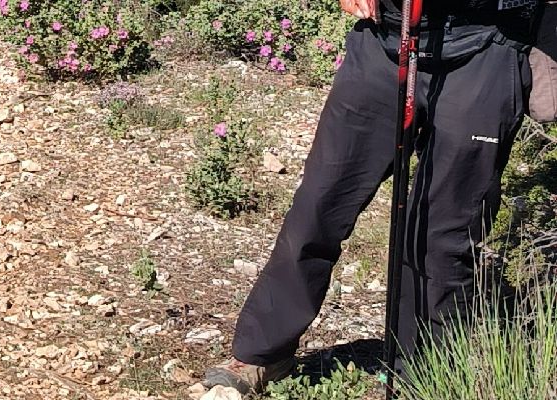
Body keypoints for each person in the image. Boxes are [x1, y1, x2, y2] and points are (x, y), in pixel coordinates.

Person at [202, 0, 544, 393]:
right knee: (320, 202)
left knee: (444, 232)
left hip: (488, 42)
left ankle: (424, 373)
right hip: (387, 37)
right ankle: (263, 353)